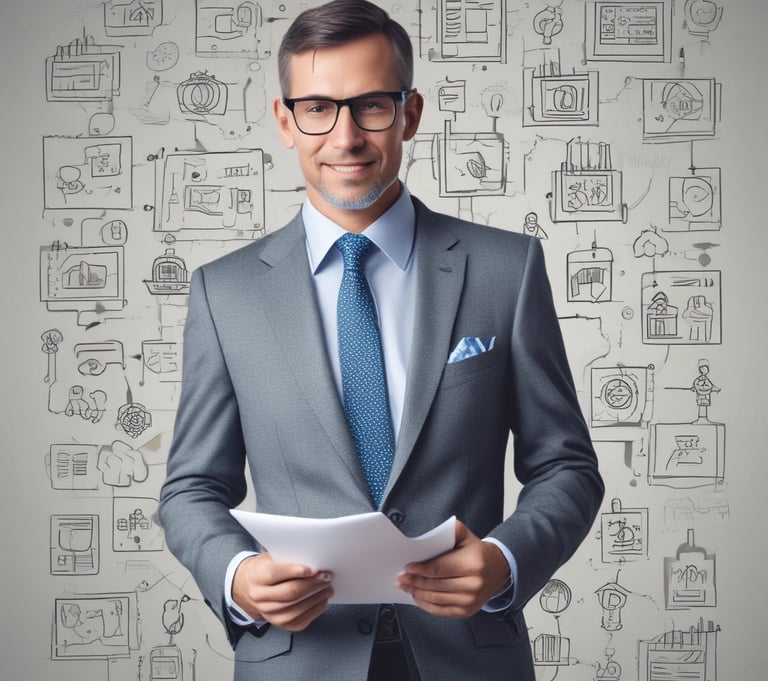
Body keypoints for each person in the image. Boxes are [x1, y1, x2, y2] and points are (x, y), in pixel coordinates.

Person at [157, 2, 604, 680]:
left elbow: (567, 466)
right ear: (285, 120)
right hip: (297, 659)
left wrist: (503, 560)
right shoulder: (226, 292)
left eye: (370, 105)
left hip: (469, 656)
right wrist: (237, 572)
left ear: (410, 113)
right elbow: (191, 487)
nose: (345, 136)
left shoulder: (505, 271)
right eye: (317, 107)